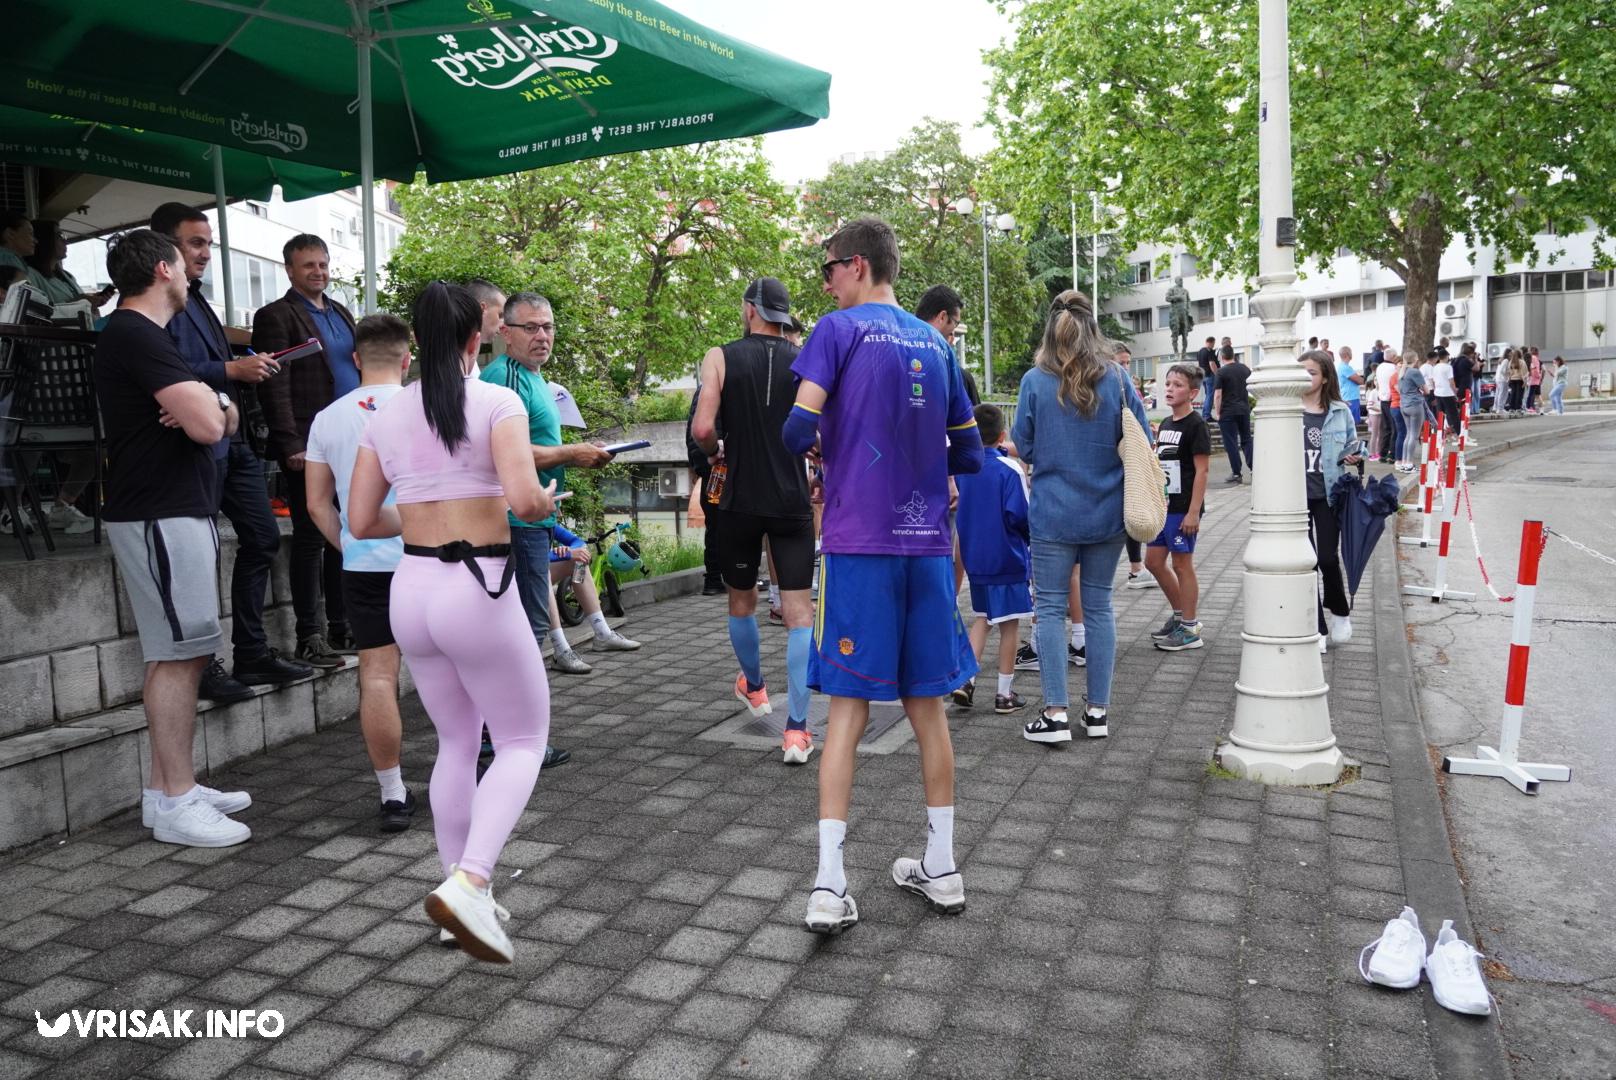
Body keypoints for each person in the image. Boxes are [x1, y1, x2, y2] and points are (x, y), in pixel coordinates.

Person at [783, 216, 982, 933]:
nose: (826, 282)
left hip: (859, 543)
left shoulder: (837, 332)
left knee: (847, 711)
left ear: (858, 265)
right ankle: (943, 866)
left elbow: (796, 430)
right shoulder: (936, 341)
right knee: (928, 708)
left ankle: (831, 883)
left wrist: (825, 451)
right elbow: (970, 455)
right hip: (927, 547)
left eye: (830, 269)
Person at [347, 281, 555, 963]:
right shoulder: (497, 401)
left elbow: (359, 521)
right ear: (476, 340)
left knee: (457, 745)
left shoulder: (385, 415)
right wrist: (544, 495)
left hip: (412, 589)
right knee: (523, 740)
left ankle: (455, 906)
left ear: (417, 343)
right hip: (478, 587)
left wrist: (430, 512)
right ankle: (470, 883)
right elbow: (526, 503)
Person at [92, 230, 252, 848]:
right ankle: (178, 798)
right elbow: (214, 424)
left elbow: (219, 414)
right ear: (164, 269)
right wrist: (214, 405)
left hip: (168, 509)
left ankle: (166, 792)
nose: (192, 275)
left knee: (175, 652)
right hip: (160, 512)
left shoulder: (144, 338)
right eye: (186, 264)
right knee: (182, 655)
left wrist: (212, 401)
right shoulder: (136, 333)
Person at [151, 202, 311, 701]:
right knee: (198, 558)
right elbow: (170, 365)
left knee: (263, 538)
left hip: (232, 439)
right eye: (195, 243)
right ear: (165, 250)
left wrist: (237, 368)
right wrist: (231, 373)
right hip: (192, 445)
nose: (205, 252)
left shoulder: (196, 298)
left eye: (208, 243)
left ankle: (252, 653)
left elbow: (203, 361)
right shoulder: (154, 308)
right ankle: (204, 665)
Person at [1011, 289, 1150, 745]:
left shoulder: (1034, 381)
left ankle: (1054, 714)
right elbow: (1140, 439)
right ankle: (1097, 713)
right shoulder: (1117, 378)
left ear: (1050, 330)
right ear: (1094, 328)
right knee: (1098, 608)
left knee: (1049, 609)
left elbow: (1024, 446)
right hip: (1108, 512)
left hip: (1052, 511)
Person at [692, 277, 818, 764]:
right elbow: (819, 434)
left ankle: (756, 687)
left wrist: (716, 450)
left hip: (738, 501)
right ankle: (797, 732)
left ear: (750, 310)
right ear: (783, 316)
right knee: (799, 613)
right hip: (790, 500)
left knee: (741, 601)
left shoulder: (719, 356)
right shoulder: (805, 360)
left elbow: (703, 428)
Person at [303, 314, 417, 833]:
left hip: (365, 566)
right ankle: (472, 773)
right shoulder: (429, 407)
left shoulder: (326, 418)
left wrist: (351, 541)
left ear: (355, 359)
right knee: (460, 668)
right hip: (433, 560)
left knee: (376, 677)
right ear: (406, 359)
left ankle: (393, 794)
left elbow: (316, 504)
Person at [481, 293, 612, 674]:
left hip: (536, 518)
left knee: (530, 625)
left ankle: (505, 728)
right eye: (531, 327)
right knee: (527, 627)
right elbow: (510, 452)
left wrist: (584, 450)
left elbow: (539, 446)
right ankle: (501, 731)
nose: (542, 335)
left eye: (548, 326)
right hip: (516, 521)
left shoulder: (535, 378)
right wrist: (573, 453)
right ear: (506, 332)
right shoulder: (505, 377)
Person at [253, 233, 357, 670]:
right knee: (311, 536)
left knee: (344, 532)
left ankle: (342, 624)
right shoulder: (276, 315)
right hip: (307, 442)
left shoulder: (341, 312)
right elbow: (273, 383)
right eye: (308, 265)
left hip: (349, 437)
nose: (318, 271)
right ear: (290, 270)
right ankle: (308, 635)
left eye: (323, 264)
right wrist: (290, 441)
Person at [952, 403, 1031, 713]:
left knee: (983, 619)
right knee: (1010, 626)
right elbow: (1021, 516)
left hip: (976, 558)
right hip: (1007, 557)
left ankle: (965, 680)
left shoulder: (963, 468)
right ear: (1002, 435)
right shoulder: (1009, 468)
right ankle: (1004, 693)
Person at [1299, 351, 1363, 653]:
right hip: (1294, 497)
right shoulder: (1287, 409)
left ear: (1325, 376)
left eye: (1312, 372)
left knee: (1326, 558)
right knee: (1305, 563)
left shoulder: (1340, 411)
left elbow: (1354, 443)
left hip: (1328, 494)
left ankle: (1339, 611)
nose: (1306, 378)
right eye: (1302, 372)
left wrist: (1354, 454)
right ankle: (1317, 627)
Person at [1145, 364, 1211, 652]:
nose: (1170, 389)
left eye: (1178, 385)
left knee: (1182, 565)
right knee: (1153, 562)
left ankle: (1190, 628)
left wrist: (1194, 511)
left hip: (1183, 509)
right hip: (1163, 507)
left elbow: (1203, 471)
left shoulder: (1196, 425)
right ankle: (1180, 615)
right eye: (1168, 383)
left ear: (1193, 393)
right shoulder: (1167, 424)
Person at [545, 522, 641, 675]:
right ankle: (560, 650)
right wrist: (559, 554)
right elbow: (524, 558)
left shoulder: (545, 520)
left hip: (531, 572)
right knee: (541, 572)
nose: (558, 512)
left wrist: (571, 550)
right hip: (514, 580)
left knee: (579, 562)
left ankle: (602, 634)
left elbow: (579, 543)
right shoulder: (519, 519)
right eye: (555, 503)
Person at [1115, 346, 1155, 589]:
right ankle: (1136, 568)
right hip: (1122, 459)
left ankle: (1136, 567)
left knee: (1133, 509)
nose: (1126, 367)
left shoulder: (1128, 387)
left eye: (1128, 362)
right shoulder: (1117, 385)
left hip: (1128, 457)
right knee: (1131, 510)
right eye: (1122, 362)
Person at [24, 220, 114, 309]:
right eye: (60, 236)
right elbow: (37, 312)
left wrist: (92, 300)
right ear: (45, 240)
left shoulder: (67, 275)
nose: (66, 242)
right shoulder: (30, 275)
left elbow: (79, 303)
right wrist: (78, 302)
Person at [1213, 344, 1253, 483]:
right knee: (1247, 439)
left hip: (1228, 411)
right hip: (1244, 409)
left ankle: (1237, 473)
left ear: (1222, 357)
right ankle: (1255, 469)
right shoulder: (1245, 369)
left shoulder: (1221, 372)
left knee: (1231, 442)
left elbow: (1218, 394)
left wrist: (1217, 412)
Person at [1397, 352, 1430, 473]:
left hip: (1403, 405)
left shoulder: (1401, 372)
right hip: (1415, 405)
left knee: (1408, 434)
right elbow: (1426, 390)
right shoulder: (1415, 372)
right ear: (1416, 360)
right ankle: (1409, 464)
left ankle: (1404, 462)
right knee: (1414, 435)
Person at [1374, 349, 1400, 462]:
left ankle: (1383, 452)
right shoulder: (1393, 368)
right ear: (1393, 356)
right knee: (1395, 428)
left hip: (1383, 399)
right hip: (1391, 399)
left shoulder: (1379, 367)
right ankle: (1392, 453)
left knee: (1386, 428)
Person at [1429, 347, 1461, 436]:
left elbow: (1433, 381)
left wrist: (1435, 390)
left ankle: (1440, 434)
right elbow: (1451, 382)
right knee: (1453, 414)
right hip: (1448, 393)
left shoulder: (1434, 367)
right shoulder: (1448, 367)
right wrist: (1455, 392)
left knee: (1440, 414)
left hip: (1438, 393)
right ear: (1446, 357)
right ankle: (1460, 433)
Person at [1336, 345, 1364, 426]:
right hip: (1351, 398)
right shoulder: (1345, 368)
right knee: (1353, 424)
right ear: (1347, 354)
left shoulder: (1342, 367)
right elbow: (1360, 381)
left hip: (1347, 397)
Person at [1195, 335, 1219, 420]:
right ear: (1211, 342)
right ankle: (1206, 415)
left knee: (1207, 395)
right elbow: (1212, 364)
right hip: (1210, 376)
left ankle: (1204, 414)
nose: (1213, 345)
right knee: (1210, 395)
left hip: (1203, 376)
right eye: (1213, 343)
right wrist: (1217, 374)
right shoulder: (1209, 351)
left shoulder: (1200, 351)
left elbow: (1199, 364)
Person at [1504, 348, 1528, 416]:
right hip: (1520, 380)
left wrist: (1509, 379)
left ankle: (1511, 408)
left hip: (1512, 380)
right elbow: (1524, 372)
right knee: (1519, 395)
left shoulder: (1511, 362)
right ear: (1520, 354)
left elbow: (1509, 372)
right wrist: (1525, 382)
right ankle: (1518, 408)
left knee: (1513, 394)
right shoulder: (1522, 362)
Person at [1525, 349, 1544, 414]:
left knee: (1531, 394)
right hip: (1535, 379)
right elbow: (1538, 369)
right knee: (1536, 395)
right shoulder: (1535, 358)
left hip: (1532, 379)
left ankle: (1529, 407)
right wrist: (1540, 377)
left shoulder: (1532, 358)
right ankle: (1533, 408)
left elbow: (1534, 368)